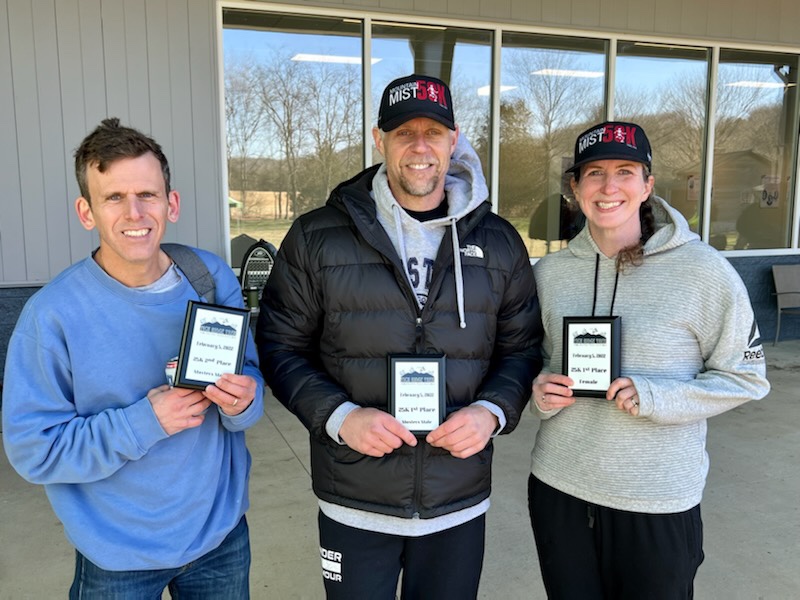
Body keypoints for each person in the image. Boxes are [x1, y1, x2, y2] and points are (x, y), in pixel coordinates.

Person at [256, 74, 542, 599]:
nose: (419, 147)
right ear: (379, 139)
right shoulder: (317, 236)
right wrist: (340, 418)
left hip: (456, 496)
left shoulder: (500, 241)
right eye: (403, 132)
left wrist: (491, 413)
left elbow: (522, 348)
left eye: (433, 133)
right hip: (354, 495)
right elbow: (280, 345)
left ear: (454, 140)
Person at [2, 118, 264, 598]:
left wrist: (242, 402)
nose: (135, 212)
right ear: (86, 212)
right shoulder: (53, 315)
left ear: (172, 203)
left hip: (219, 538)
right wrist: (145, 423)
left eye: (147, 194)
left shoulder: (209, 277)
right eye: (114, 197)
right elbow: (34, 451)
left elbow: (248, 382)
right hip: (117, 556)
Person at [528, 121, 770, 599]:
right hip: (560, 486)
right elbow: (532, 360)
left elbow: (746, 378)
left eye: (625, 171)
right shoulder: (549, 274)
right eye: (594, 173)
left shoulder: (704, 271)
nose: (609, 187)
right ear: (575, 188)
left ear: (647, 185)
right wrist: (539, 389)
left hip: (656, 497)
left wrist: (657, 396)